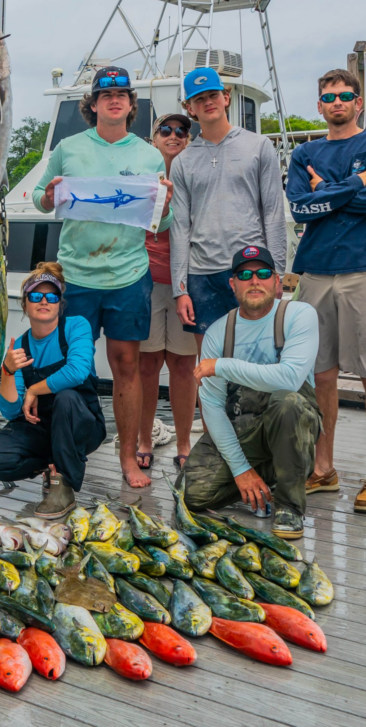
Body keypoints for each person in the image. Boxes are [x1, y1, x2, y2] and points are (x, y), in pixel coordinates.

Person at [34, 66, 173, 489]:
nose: (114, 99)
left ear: (131, 105)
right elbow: (41, 203)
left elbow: (159, 219)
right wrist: (51, 192)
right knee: (66, 366)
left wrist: (165, 202)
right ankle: (58, 458)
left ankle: (128, 458)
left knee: (127, 365)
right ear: (92, 104)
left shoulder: (150, 154)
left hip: (129, 275)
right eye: (105, 93)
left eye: (122, 94)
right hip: (75, 275)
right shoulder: (67, 148)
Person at [286, 68, 366, 514]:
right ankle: (324, 468)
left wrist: (325, 192)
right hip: (314, 273)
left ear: (359, 103)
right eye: (328, 97)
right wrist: (354, 184)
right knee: (321, 375)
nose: (337, 102)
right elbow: (299, 209)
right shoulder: (304, 152)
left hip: (363, 272)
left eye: (345, 96)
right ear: (319, 105)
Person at [184, 245, 321, 540]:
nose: (254, 280)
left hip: (291, 422)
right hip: (244, 427)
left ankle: (289, 505)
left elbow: (289, 378)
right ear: (233, 284)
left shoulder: (299, 315)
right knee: (193, 494)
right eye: (245, 274)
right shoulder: (217, 332)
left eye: (262, 273)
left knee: (287, 402)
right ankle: (268, 475)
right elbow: (212, 406)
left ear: (276, 280)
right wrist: (240, 469)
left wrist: (221, 365)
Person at [0, 263, 105, 518]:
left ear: (59, 304)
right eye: (35, 296)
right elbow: (12, 412)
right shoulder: (20, 345)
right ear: (24, 304)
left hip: (82, 424)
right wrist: (8, 372)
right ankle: (51, 463)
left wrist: (34, 389)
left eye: (51, 296)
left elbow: (78, 371)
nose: (44, 301)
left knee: (66, 398)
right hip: (42, 428)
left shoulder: (76, 327)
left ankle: (63, 485)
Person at [170, 67, 286, 343]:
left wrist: (277, 271)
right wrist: (180, 289)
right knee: (208, 364)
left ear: (226, 97)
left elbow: (273, 212)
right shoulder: (182, 161)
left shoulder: (259, 146)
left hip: (250, 268)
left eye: (213, 95)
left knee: (257, 357)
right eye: (199, 99)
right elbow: (180, 229)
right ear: (190, 108)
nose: (207, 102)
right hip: (201, 275)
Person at [138, 112, 198, 471]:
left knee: (182, 365)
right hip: (145, 280)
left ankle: (184, 440)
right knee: (146, 365)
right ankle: (145, 438)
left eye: (181, 131)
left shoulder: (194, 175)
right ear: (154, 138)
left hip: (184, 285)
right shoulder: (142, 175)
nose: (174, 136)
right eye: (166, 130)